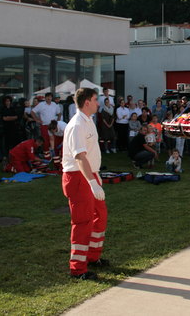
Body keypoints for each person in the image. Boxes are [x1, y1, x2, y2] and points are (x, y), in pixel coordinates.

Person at [61, 87, 108, 280]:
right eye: (96, 100)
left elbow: (89, 154)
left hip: (90, 175)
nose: (98, 103)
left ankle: (92, 257)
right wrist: (92, 182)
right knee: (83, 222)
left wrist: (96, 177)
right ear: (87, 101)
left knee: (100, 215)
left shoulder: (88, 121)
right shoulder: (76, 125)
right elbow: (80, 157)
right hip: (78, 177)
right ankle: (78, 268)